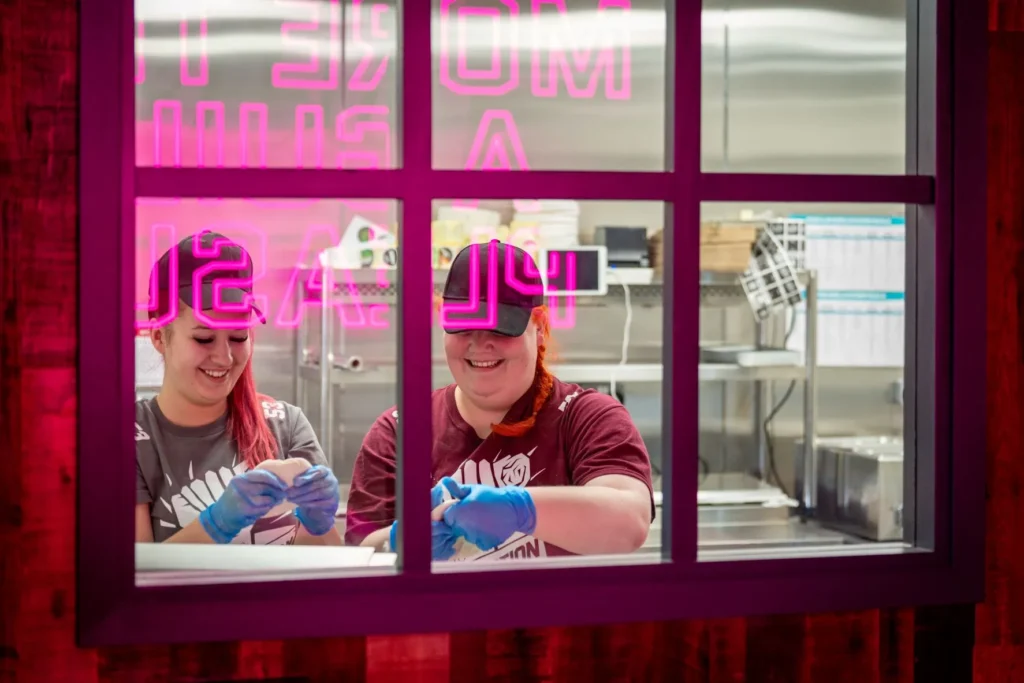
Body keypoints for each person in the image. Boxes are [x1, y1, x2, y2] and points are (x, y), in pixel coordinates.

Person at [345, 240, 655, 561]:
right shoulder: (400, 431)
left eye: (500, 329)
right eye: (464, 326)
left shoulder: (585, 416)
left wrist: (521, 509)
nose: (480, 344)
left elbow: (630, 521)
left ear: (539, 329)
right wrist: (400, 541)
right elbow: (357, 553)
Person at [135, 231, 342, 546]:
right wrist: (216, 524)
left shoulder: (285, 426)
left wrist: (319, 523)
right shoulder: (131, 438)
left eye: (238, 337)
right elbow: (128, 580)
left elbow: (331, 568)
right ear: (159, 338)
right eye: (203, 339)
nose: (224, 357)